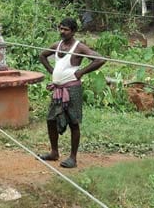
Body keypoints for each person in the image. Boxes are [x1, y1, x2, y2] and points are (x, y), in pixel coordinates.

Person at [38, 18, 105, 169]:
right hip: (58, 89)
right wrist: (52, 72)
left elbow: (100, 59)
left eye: (66, 29)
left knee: (73, 123)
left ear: (73, 31)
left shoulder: (79, 47)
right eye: (60, 28)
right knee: (51, 120)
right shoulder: (58, 45)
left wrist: (81, 72)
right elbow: (42, 55)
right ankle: (54, 152)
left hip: (72, 89)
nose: (62, 32)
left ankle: (73, 158)